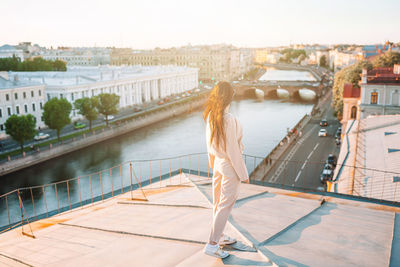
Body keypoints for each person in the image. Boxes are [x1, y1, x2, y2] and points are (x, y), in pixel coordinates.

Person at [202, 81, 249, 259]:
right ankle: (212, 244)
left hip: (218, 165)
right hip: (229, 166)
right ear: (230, 97)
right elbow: (233, 150)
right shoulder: (229, 119)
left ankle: (219, 236)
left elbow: (208, 144)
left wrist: (213, 164)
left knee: (217, 204)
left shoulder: (212, 116)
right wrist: (243, 174)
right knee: (225, 206)